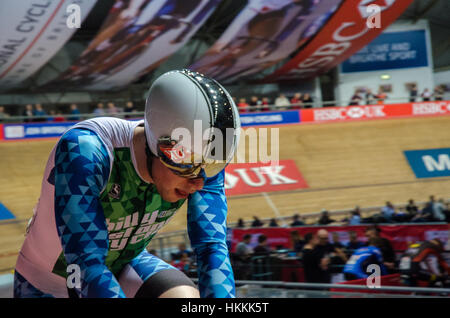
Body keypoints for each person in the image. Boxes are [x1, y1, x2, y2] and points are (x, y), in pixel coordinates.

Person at [14, 69, 241, 298]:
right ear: (162, 147)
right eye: (188, 167)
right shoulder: (85, 150)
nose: (198, 184)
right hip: (48, 279)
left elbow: (212, 247)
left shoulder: (200, 160)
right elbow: (86, 262)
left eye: (212, 167)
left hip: (125, 263)